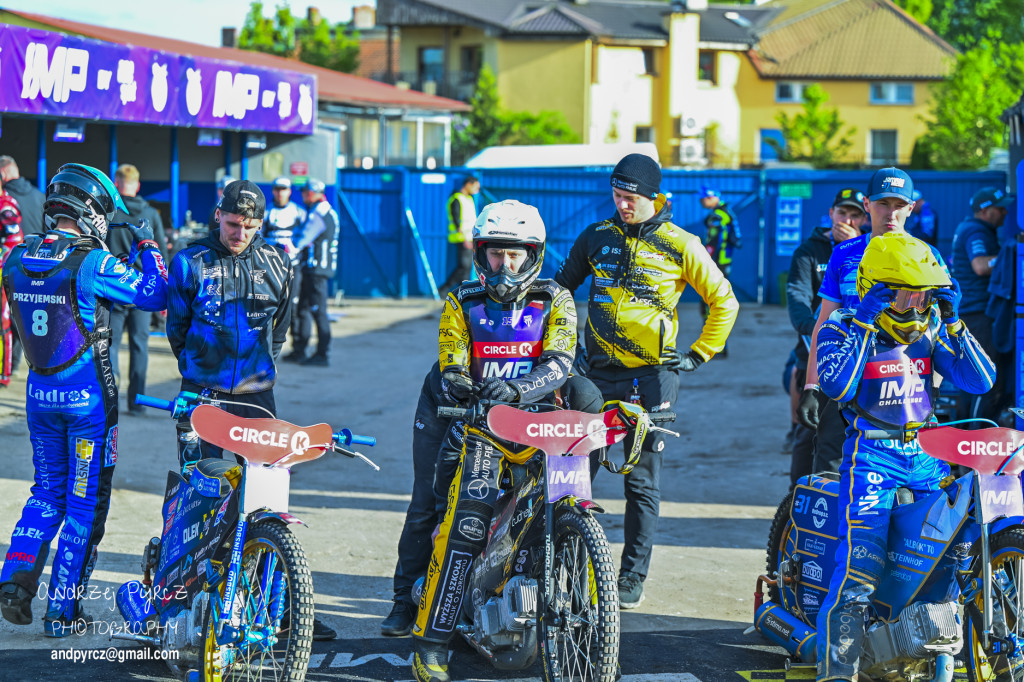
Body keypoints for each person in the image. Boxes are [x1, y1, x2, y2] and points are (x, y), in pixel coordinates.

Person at [555, 153, 739, 609]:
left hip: (653, 378)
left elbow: (725, 300)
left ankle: (630, 578)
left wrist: (697, 355)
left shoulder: (681, 243)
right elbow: (559, 291)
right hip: (594, 375)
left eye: (631, 198)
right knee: (575, 474)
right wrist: (563, 348)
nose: (623, 205)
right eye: (617, 196)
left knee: (640, 482)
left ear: (654, 197)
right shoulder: (596, 235)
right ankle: (570, 570)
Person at [814, 232, 994, 681]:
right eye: (905, 293)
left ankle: (925, 658)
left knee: (944, 565)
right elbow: (837, 388)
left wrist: (955, 323)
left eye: (924, 294)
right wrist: (865, 322)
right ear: (875, 286)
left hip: (926, 454)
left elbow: (980, 381)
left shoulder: (931, 326)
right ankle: (837, 671)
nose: (916, 305)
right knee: (860, 570)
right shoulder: (842, 324)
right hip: (871, 455)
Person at [411, 200, 579, 682]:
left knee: (566, 518)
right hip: (484, 429)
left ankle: (580, 625)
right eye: (495, 254)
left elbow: (561, 362)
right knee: (463, 527)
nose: (505, 265)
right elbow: (452, 365)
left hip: (544, 430)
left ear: (534, 255)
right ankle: (431, 644)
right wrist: (468, 389)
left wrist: (518, 389)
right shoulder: (461, 300)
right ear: (480, 253)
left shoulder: (556, 297)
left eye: (515, 254)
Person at [0, 164, 168, 636]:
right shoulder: (93, 261)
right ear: (92, 210)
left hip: (39, 395)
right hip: (88, 404)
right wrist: (147, 244)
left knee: (45, 492)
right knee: (84, 504)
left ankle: (15, 581)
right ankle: (63, 613)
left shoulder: (16, 256)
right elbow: (156, 295)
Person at [797, 167, 950, 432]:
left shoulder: (928, 255)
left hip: (904, 386)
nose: (891, 213)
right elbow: (824, 322)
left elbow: (939, 330)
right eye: (883, 203)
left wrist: (932, 391)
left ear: (911, 208)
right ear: (867, 204)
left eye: (899, 205)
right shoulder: (843, 253)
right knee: (830, 455)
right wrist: (812, 385)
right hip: (848, 378)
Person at [785, 188, 866, 487]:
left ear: (864, 218)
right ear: (831, 213)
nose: (848, 219)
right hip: (815, 347)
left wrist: (852, 248)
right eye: (842, 212)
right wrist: (812, 327)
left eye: (855, 214)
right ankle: (796, 496)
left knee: (849, 432)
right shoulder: (808, 251)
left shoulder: (872, 250)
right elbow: (797, 295)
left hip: (859, 353)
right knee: (809, 429)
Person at [950, 186, 1015, 424]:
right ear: (986, 211)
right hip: (978, 315)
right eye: (1000, 208)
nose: (1005, 212)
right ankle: (978, 435)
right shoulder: (975, 230)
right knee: (984, 378)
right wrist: (1009, 256)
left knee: (974, 377)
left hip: (974, 314)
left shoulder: (974, 228)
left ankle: (968, 434)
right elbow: (980, 266)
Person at [107, 164, 169, 416]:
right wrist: (165, 295)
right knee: (139, 346)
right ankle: (136, 403)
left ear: (116, 184)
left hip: (113, 289)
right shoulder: (151, 214)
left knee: (110, 345)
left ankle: (110, 399)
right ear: (138, 185)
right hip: (145, 290)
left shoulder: (110, 213)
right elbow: (160, 253)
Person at [283, 178, 338, 366]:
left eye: (306, 192)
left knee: (318, 311)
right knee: (303, 309)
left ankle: (322, 354)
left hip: (316, 270)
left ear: (314, 193)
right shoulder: (326, 210)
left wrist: (285, 248)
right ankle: (300, 350)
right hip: (314, 269)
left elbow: (300, 241)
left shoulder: (318, 213)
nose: (303, 196)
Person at [263, 176, 307, 348]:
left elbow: (307, 237)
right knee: (268, 304)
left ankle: (298, 347)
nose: (280, 193)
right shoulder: (266, 212)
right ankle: (266, 344)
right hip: (271, 266)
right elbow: (258, 236)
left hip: (293, 265)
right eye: (277, 189)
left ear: (289, 191)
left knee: (293, 305)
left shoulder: (299, 212)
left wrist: (294, 248)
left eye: (283, 189)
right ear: (273, 191)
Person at [439, 176, 480, 294]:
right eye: (476, 187)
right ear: (468, 184)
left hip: (469, 238)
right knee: (463, 266)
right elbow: (456, 220)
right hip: (461, 238)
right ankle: (443, 289)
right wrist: (464, 239)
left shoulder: (469, 198)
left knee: (466, 268)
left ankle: (463, 292)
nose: (477, 190)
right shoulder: (456, 198)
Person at [0, 195, 24, 385]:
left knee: (3, 321)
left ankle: (4, 373)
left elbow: (15, 239)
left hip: (3, 274)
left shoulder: (5, 206)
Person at [0, 155, 45, 235]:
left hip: (12, 243)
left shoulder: (3, 199)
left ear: (2, 174)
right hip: (38, 243)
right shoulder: (40, 195)